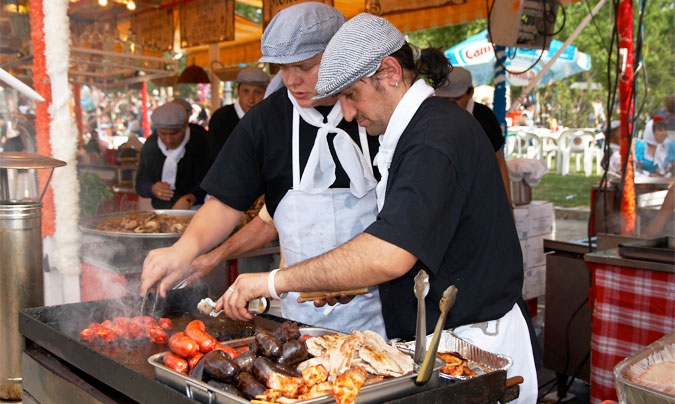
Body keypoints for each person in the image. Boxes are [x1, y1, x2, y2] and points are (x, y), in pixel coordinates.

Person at [217, 13, 538, 404]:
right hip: (440, 340)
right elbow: (428, 244)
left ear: (389, 72)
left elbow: (389, 254)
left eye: (351, 95)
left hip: (473, 348)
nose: (348, 114)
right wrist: (349, 282)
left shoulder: (432, 140)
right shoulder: (417, 132)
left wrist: (271, 282)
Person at [140, 2, 386, 337]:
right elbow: (226, 202)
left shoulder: (377, 111)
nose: (292, 80)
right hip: (302, 319)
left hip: (386, 310)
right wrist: (183, 250)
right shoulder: (267, 121)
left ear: (339, 53)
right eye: (282, 69)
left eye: (305, 66)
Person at [435, 66, 513, 208]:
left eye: (457, 99)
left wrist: (508, 204)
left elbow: (499, 162)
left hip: (478, 198)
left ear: (470, 93)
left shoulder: (484, 117)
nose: (450, 105)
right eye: (445, 98)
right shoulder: (431, 117)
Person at [135, 102, 210, 210]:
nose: (169, 140)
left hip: (197, 209)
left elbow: (210, 182)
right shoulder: (151, 144)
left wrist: (190, 198)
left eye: (174, 133)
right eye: (163, 134)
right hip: (161, 209)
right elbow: (140, 183)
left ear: (185, 126)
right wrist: (152, 188)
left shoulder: (201, 143)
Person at [208, 67, 270, 162]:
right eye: (246, 91)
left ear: (266, 93)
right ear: (238, 91)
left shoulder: (269, 119)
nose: (251, 99)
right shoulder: (221, 119)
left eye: (257, 92)